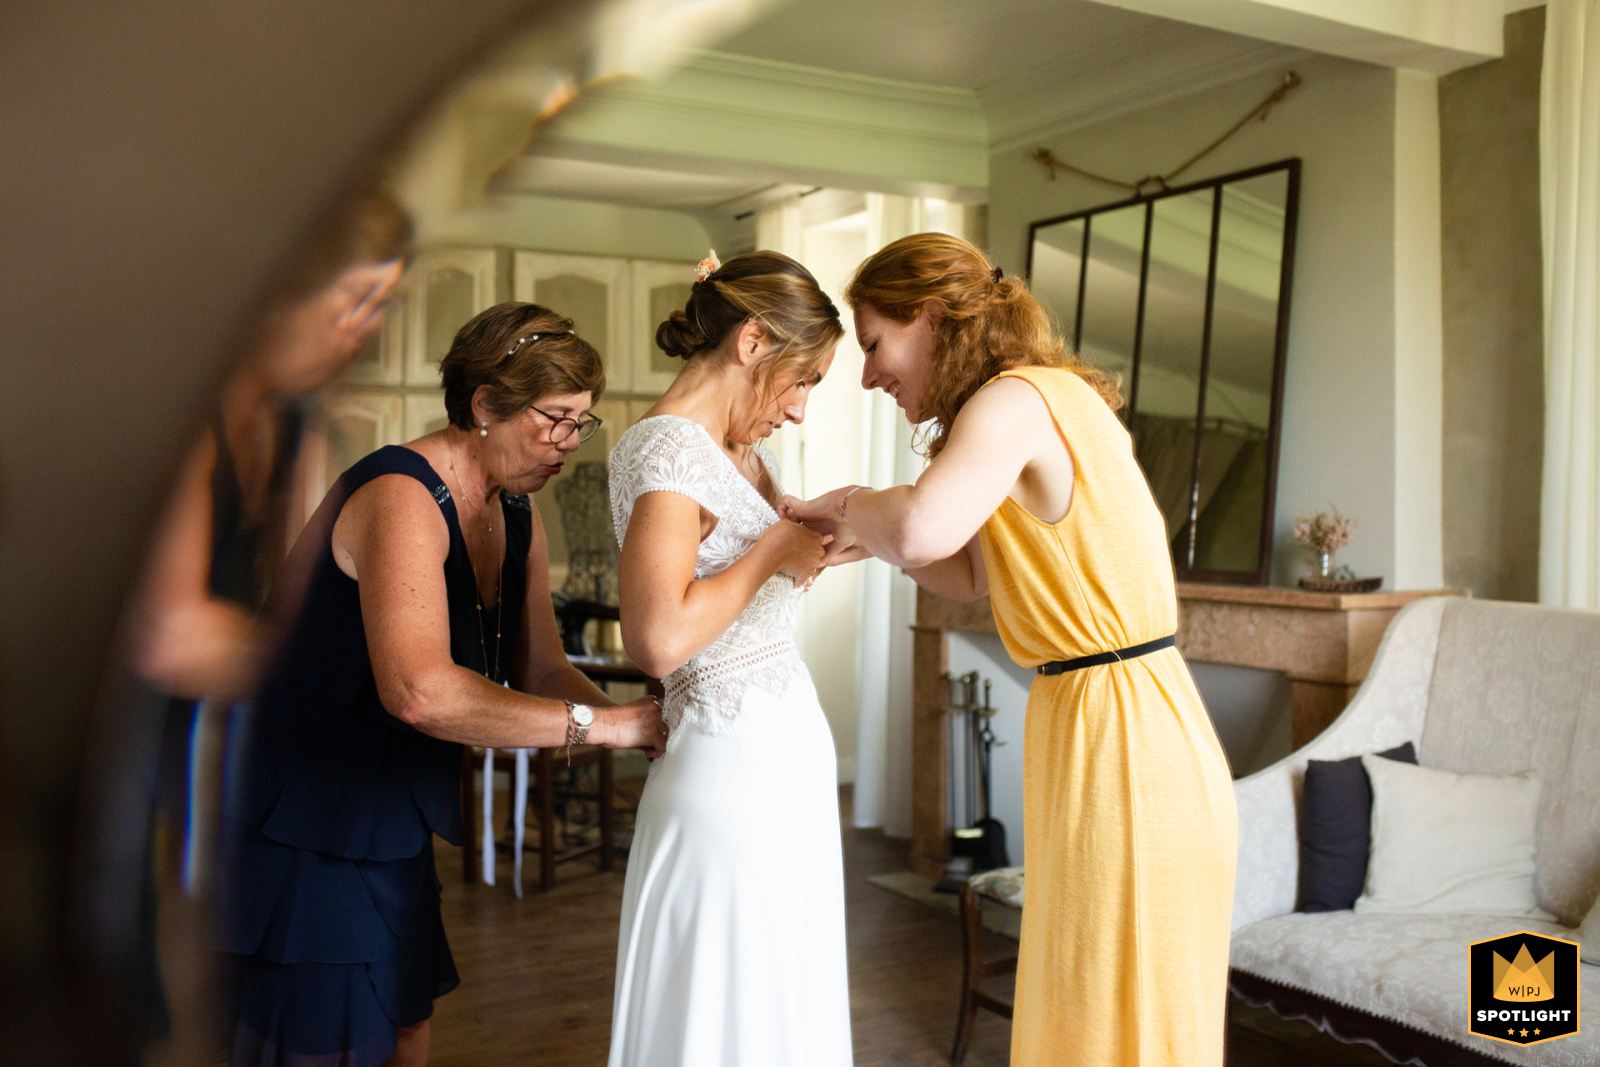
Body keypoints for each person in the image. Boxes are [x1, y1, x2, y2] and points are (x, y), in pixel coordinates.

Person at [785, 233, 1238, 1067]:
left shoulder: (1015, 402)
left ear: (929, 317)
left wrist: (853, 501)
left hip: (1127, 740)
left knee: (1117, 1014)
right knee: (1091, 1000)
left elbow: (922, 524)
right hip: (1109, 725)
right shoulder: (1036, 402)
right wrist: (865, 538)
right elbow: (962, 570)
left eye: (876, 344)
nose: (870, 374)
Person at [221, 302, 666, 1067]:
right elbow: (418, 691)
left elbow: (542, 669)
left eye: (581, 423)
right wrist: (613, 730)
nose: (569, 444)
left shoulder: (516, 511)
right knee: (328, 1047)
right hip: (307, 821)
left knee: (404, 1030)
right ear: (485, 405)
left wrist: (657, 721)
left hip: (391, 820)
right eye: (555, 419)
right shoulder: (399, 496)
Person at [606, 251, 851, 1067]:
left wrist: (814, 543)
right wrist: (773, 550)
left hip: (786, 762)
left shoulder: (744, 455)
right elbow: (656, 637)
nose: (801, 408)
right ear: (752, 341)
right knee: (723, 1015)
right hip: (727, 772)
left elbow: (751, 601)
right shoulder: (668, 450)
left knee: (780, 1005)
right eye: (803, 379)